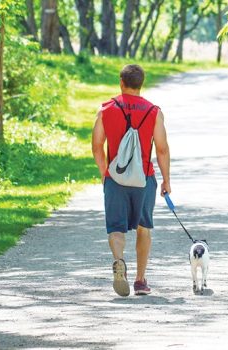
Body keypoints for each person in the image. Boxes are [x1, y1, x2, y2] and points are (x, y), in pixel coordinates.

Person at [91, 64, 171, 297]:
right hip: (144, 178)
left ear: (121, 83)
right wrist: (166, 180)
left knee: (116, 228)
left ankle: (119, 263)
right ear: (141, 83)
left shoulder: (106, 109)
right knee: (143, 228)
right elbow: (162, 150)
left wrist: (106, 173)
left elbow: (97, 147)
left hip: (116, 179)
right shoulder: (154, 112)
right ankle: (140, 280)